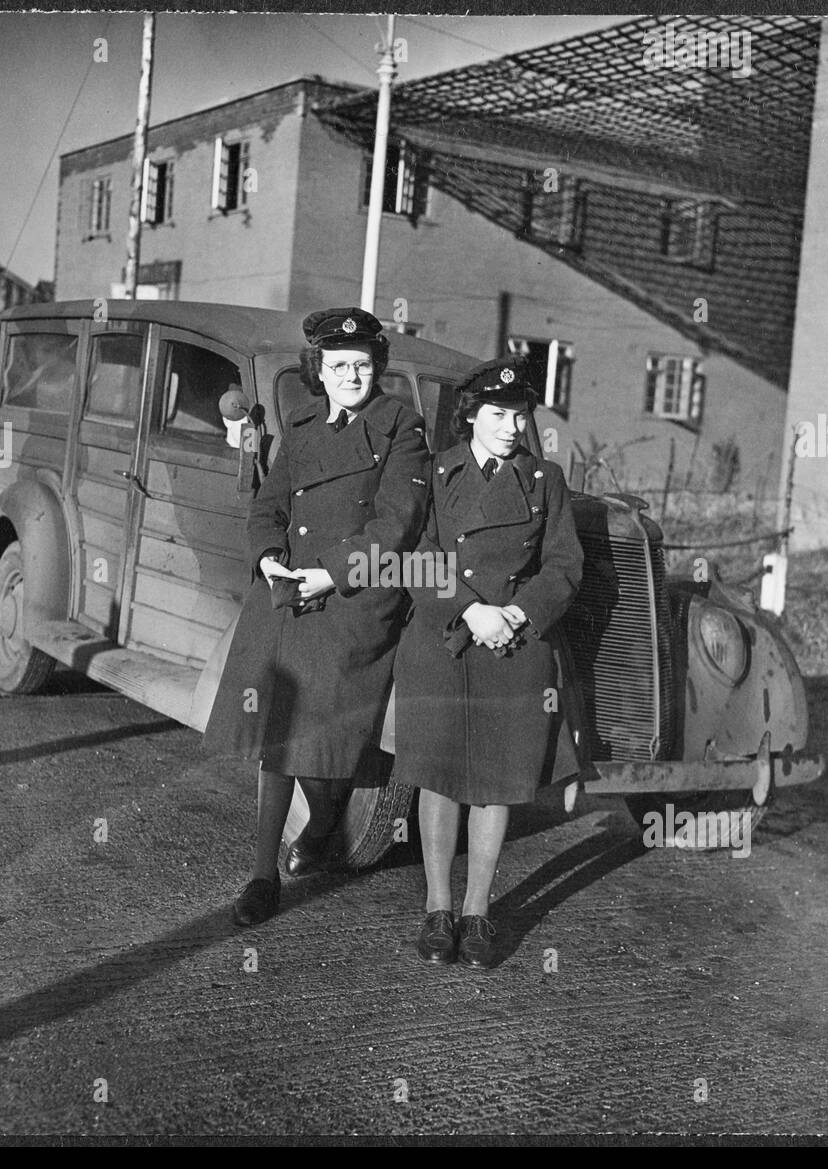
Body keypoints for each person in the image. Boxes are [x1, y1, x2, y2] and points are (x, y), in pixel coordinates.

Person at [205, 308, 430, 926]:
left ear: (376, 370)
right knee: (279, 731)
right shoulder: (300, 429)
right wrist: (271, 562)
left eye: (362, 365)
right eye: (339, 366)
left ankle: (324, 823)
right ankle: (261, 874)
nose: (351, 376)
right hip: (289, 590)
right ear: (320, 373)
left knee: (327, 732)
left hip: (354, 595)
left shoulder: (400, 428)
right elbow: (268, 508)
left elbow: (397, 522)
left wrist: (331, 572)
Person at [392, 357, 584, 969]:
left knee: (498, 779)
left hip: (514, 645)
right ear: (470, 416)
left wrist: (517, 615)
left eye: (519, 414)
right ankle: (437, 910)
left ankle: (477, 914)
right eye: (497, 414)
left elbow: (563, 567)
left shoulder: (544, 478)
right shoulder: (434, 473)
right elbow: (413, 555)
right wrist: (470, 610)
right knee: (440, 774)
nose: (510, 426)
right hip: (444, 639)